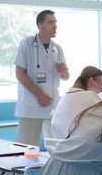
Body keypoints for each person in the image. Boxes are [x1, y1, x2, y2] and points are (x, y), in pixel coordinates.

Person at [14, 10, 70, 146]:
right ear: (40, 25)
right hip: (32, 106)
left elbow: (65, 77)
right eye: (50, 22)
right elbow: (20, 74)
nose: (55, 26)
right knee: (27, 147)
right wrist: (40, 95)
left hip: (52, 106)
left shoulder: (57, 48)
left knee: (56, 147)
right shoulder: (26, 44)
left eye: (55, 22)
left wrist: (64, 72)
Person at [50, 66, 102, 140]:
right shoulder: (90, 96)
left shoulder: (66, 96)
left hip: (57, 143)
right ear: (91, 81)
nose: (101, 90)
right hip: (74, 144)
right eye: (101, 85)